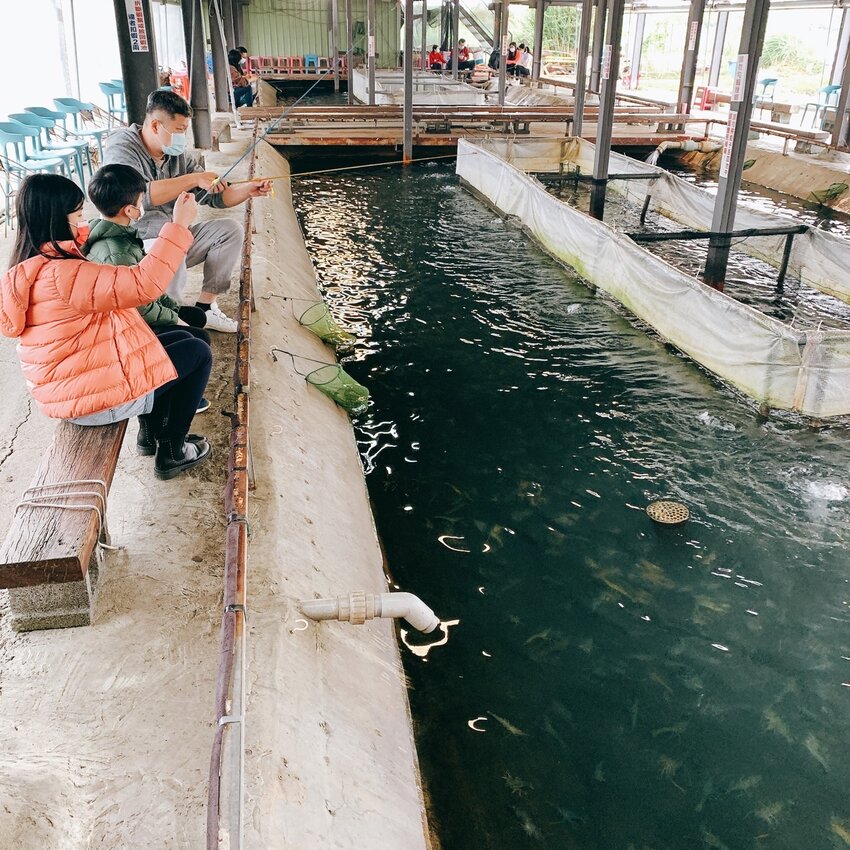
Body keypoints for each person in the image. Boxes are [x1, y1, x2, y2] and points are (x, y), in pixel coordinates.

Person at [0, 173, 213, 481]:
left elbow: (83, 238)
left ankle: (151, 435)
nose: (82, 223)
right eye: (77, 216)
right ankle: (173, 451)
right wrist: (179, 226)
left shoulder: (31, 265)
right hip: (91, 400)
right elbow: (144, 284)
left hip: (73, 384)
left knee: (181, 338)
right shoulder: (64, 275)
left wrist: (107, 221)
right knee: (198, 353)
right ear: (58, 220)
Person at [104, 90, 272, 333]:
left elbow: (215, 197)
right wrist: (193, 178)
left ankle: (205, 307)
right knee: (171, 254)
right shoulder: (123, 146)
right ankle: (168, 320)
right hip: (135, 246)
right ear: (155, 125)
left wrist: (247, 189)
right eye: (180, 130)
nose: (183, 137)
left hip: (173, 236)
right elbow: (137, 195)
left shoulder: (178, 155)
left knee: (229, 231)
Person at [84, 162, 213, 418]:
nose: (144, 205)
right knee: (198, 340)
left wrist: (175, 309)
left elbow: (145, 287)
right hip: (129, 327)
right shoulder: (115, 252)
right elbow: (139, 304)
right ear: (130, 210)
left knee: (195, 318)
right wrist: (174, 318)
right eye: (142, 200)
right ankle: (174, 404)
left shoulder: (120, 236)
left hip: (133, 317)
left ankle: (178, 392)